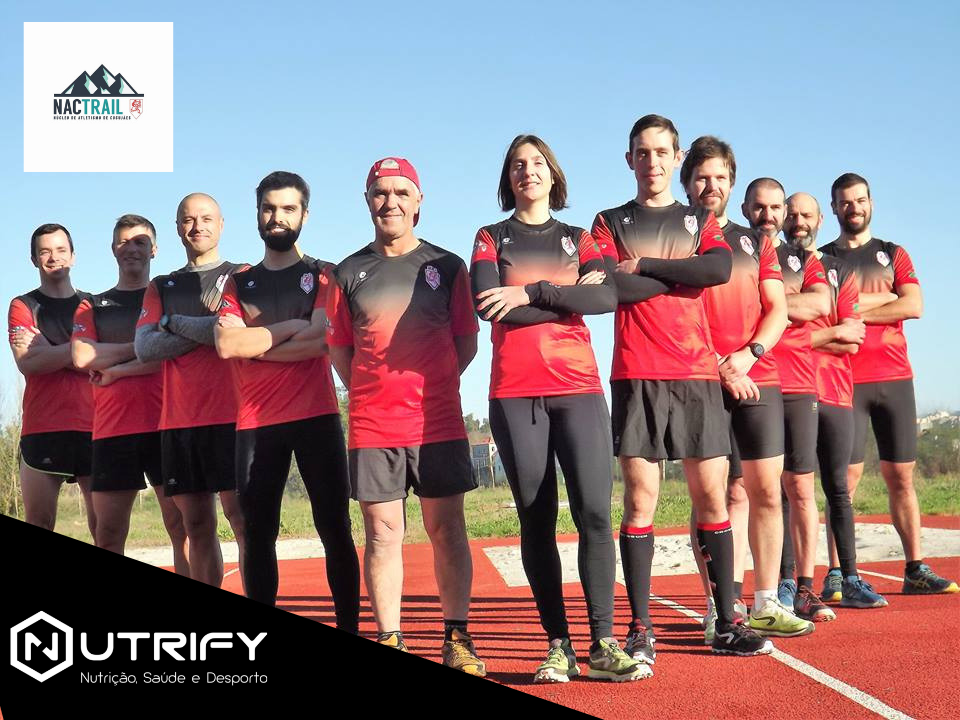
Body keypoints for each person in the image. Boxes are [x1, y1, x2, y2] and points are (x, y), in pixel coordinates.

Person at [471, 135, 653, 682]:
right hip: (514, 394)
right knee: (537, 520)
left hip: (578, 389)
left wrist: (529, 293)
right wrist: (566, 295)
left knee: (595, 514)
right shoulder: (489, 236)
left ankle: (602, 643)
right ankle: (559, 645)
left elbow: (604, 299)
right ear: (508, 179)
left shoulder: (580, 238)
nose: (528, 171)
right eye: (517, 165)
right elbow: (488, 306)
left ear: (554, 174)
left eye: (537, 163)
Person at [591, 115, 771, 659]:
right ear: (629, 160)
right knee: (641, 499)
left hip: (696, 373)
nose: (652, 162)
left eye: (662, 152)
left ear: (675, 158)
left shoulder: (699, 218)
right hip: (637, 374)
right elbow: (608, 287)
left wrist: (645, 264)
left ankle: (725, 619)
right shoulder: (608, 220)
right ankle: (640, 628)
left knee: (712, 496)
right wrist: (678, 271)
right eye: (642, 153)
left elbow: (716, 270)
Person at [327, 157, 485, 675]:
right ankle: (390, 637)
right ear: (367, 200)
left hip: (437, 422)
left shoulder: (447, 266)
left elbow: (466, 342)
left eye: (400, 192)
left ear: (419, 201)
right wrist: (373, 391)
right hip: (374, 425)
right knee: (381, 534)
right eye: (379, 192)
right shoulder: (347, 272)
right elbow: (342, 353)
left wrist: (433, 384)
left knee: (447, 530)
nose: (389, 202)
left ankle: (456, 637)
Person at [213, 171, 360, 629]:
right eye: (269, 208)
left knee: (334, 529)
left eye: (288, 208)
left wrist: (258, 344)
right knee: (257, 536)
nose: (277, 217)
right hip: (256, 422)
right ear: (257, 213)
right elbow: (226, 346)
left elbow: (321, 340)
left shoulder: (324, 273)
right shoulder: (237, 282)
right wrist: (286, 331)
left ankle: (350, 627)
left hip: (316, 417)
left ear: (305, 215)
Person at [679, 139, 809, 641]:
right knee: (714, 495)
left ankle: (766, 601)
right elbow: (673, 317)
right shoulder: (674, 238)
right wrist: (718, 365)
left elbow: (776, 308)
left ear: (732, 184)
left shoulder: (757, 243)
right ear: (688, 181)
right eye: (702, 177)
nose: (711, 187)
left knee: (764, 494)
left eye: (720, 178)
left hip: (760, 377)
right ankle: (720, 605)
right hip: (700, 379)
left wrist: (748, 355)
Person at [820, 173, 957, 594]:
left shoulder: (893, 253)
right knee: (843, 482)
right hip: (845, 380)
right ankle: (838, 572)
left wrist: (854, 307)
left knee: (901, 477)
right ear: (834, 208)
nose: (854, 208)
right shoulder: (822, 260)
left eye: (860, 200)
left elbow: (913, 304)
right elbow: (828, 310)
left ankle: (915, 567)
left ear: (870, 203)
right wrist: (885, 300)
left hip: (895, 378)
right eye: (845, 202)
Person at [134, 193, 246, 588]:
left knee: (244, 523)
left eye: (205, 218)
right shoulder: (162, 285)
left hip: (236, 418)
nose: (196, 226)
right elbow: (145, 348)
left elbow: (234, 336)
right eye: (187, 219)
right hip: (180, 421)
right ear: (177, 226)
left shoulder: (242, 275)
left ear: (221, 223)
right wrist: (208, 328)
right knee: (197, 526)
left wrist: (172, 322)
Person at [783, 193, 887, 609]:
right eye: (792, 214)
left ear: (820, 219)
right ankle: (789, 582)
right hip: (792, 389)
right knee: (794, 489)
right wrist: (829, 335)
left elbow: (855, 336)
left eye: (806, 214)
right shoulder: (774, 267)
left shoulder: (837, 269)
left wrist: (802, 337)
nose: (798, 221)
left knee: (838, 491)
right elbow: (775, 334)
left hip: (838, 392)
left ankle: (850, 577)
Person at [71, 215, 188, 571]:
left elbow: (169, 357)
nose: (132, 249)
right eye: (124, 242)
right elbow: (81, 356)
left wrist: (117, 364)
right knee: (107, 534)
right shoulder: (93, 304)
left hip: (168, 424)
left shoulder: (170, 297)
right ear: (113, 250)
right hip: (112, 431)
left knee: (182, 528)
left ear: (154, 249)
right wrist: (143, 346)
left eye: (140, 242)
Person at [742, 178, 833, 623]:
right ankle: (763, 587)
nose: (769, 215)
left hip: (797, 382)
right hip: (750, 379)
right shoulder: (734, 250)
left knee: (798, 488)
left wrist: (771, 297)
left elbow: (820, 304)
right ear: (745, 209)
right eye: (759, 207)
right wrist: (772, 299)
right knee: (749, 488)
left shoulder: (801, 258)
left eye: (775, 207)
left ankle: (803, 587)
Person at [8, 224, 95, 535]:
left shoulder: (92, 306)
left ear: (73, 256)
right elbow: (28, 362)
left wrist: (51, 350)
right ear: (34, 259)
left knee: (106, 531)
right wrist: (82, 351)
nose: (54, 257)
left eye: (61, 250)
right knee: (39, 522)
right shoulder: (23, 305)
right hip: (43, 427)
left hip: (94, 426)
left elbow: (106, 360)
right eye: (45, 251)